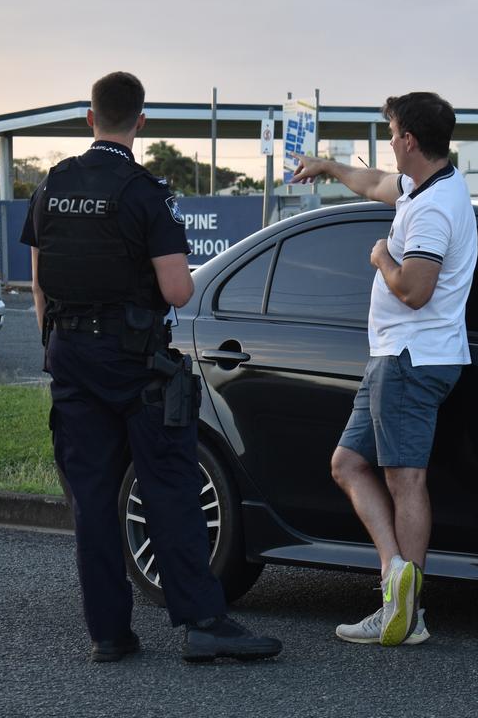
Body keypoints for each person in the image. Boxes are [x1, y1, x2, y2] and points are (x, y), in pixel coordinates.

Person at [20, 72, 282, 664]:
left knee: (90, 497)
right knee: (169, 485)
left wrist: (54, 345)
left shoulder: (51, 185)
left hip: (67, 355)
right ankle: (203, 622)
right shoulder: (144, 191)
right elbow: (178, 290)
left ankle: (109, 634)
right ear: (141, 122)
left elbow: (39, 281)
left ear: (89, 118)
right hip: (134, 361)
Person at [290, 91, 476, 647]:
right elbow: (373, 184)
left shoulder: (432, 209)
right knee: (348, 463)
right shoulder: (430, 185)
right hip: (400, 356)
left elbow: (415, 290)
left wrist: (380, 258)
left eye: (393, 134)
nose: (389, 143)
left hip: (411, 357)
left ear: (410, 141)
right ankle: (398, 582)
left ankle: (407, 610)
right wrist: (326, 166)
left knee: (405, 480)